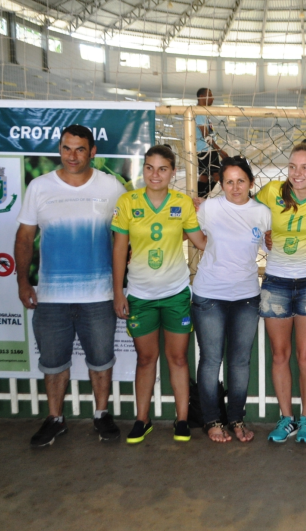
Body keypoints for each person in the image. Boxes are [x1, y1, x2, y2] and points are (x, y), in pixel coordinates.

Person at [16, 125, 126, 447]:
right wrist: (23, 282)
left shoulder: (112, 187)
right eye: (66, 148)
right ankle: (55, 419)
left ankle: (102, 414)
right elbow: (24, 237)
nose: (72, 156)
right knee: (53, 363)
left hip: (99, 295)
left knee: (102, 360)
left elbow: (125, 238)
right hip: (51, 297)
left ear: (92, 152)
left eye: (80, 149)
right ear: (59, 150)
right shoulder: (39, 187)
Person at [111, 145, 207, 444]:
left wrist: (229, 219)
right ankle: (142, 419)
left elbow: (201, 241)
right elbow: (118, 248)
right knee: (145, 359)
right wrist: (118, 292)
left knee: (178, 358)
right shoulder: (128, 202)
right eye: (149, 168)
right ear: (143, 171)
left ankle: (181, 420)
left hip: (175, 293)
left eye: (162, 168)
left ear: (172, 172)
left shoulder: (182, 202)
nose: (155, 174)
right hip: (139, 294)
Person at [257, 139, 306, 444]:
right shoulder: (271, 192)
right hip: (275, 282)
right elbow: (247, 217)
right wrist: (264, 237)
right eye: (292, 166)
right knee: (280, 355)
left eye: (305, 167)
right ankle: (286, 418)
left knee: (305, 356)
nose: (297, 173)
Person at [192, 155, 270, 443]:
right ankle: (213, 420)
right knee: (211, 360)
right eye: (229, 182)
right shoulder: (209, 208)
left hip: (247, 297)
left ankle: (236, 418)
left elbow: (271, 248)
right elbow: (193, 235)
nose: (235, 187)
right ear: (220, 184)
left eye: (241, 181)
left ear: (250, 182)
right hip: (209, 295)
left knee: (239, 362)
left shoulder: (262, 213)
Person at [196, 88, 229, 198]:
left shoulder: (203, 112)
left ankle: (199, 197)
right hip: (207, 150)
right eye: (209, 95)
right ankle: (201, 196)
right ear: (201, 97)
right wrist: (219, 150)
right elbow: (205, 134)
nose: (212, 98)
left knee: (204, 176)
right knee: (218, 175)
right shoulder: (199, 112)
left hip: (204, 150)